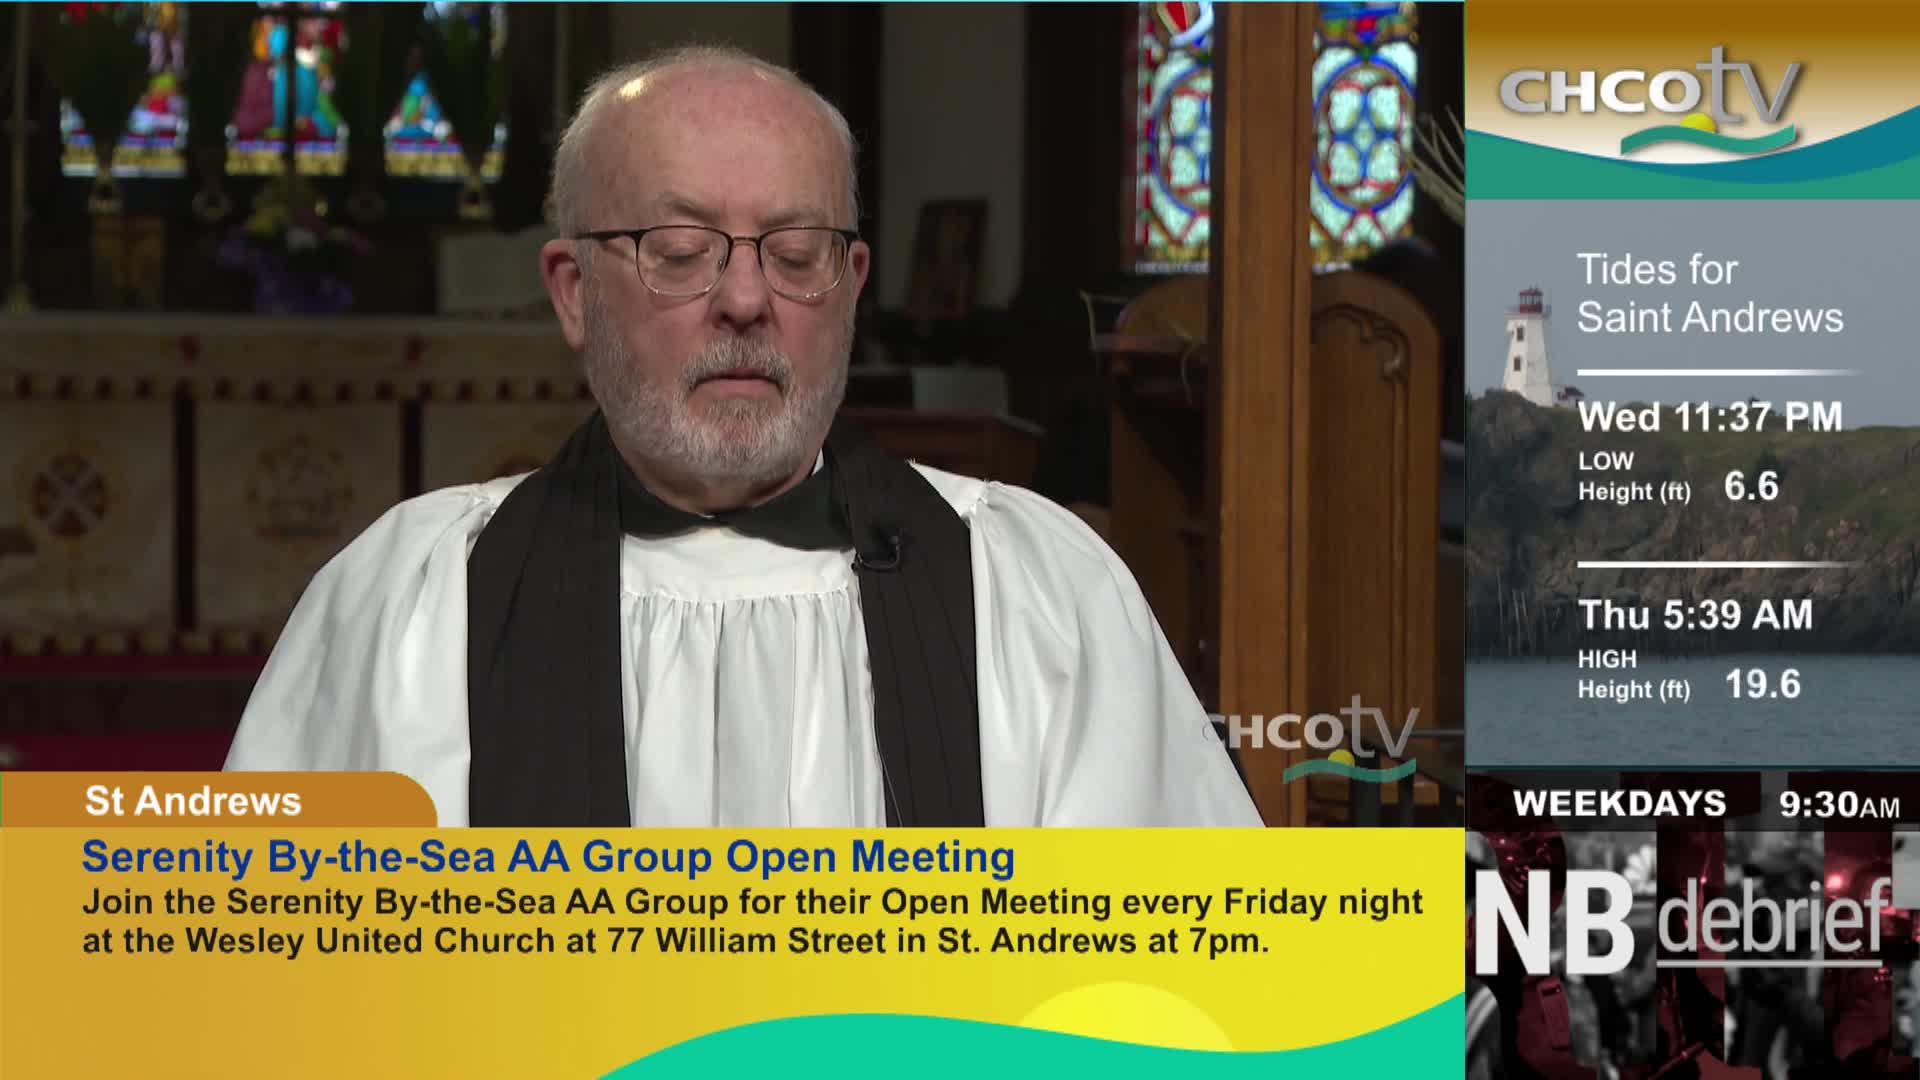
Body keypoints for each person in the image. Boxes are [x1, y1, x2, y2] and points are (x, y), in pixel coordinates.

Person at [225, 46, 1260, 829]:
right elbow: (280, 998)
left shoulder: (1038, 596)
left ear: (851, 291)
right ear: (574, 293)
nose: (747, 299)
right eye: (679, 253)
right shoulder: (410, 608)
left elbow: (1170, 994)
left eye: (796, 251)